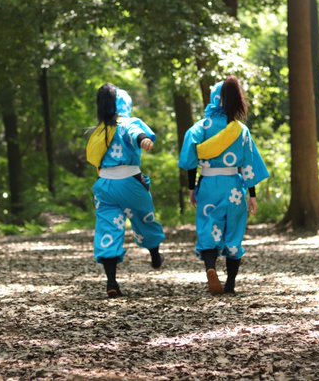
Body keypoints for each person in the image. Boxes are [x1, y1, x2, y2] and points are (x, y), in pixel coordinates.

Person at [178, 76, 269, 295]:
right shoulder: (240, 130)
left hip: (208, 185)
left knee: (208, 227)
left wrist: (192, 188)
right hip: (234, 186)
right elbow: (248, 164)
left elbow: (190, 160)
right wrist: (252, 195)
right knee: (234, 233)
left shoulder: (201, 127)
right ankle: (230, 284)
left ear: (213, 98)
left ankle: (210, 268)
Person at [86, 84, 165, 298]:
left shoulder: (100, 130)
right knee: (144, 218)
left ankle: (111, 282)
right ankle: (154, 253)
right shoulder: (128, 123)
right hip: (130, 183)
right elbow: (135, 133)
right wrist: (143, 139)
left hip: (104, 186)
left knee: (107, 229)